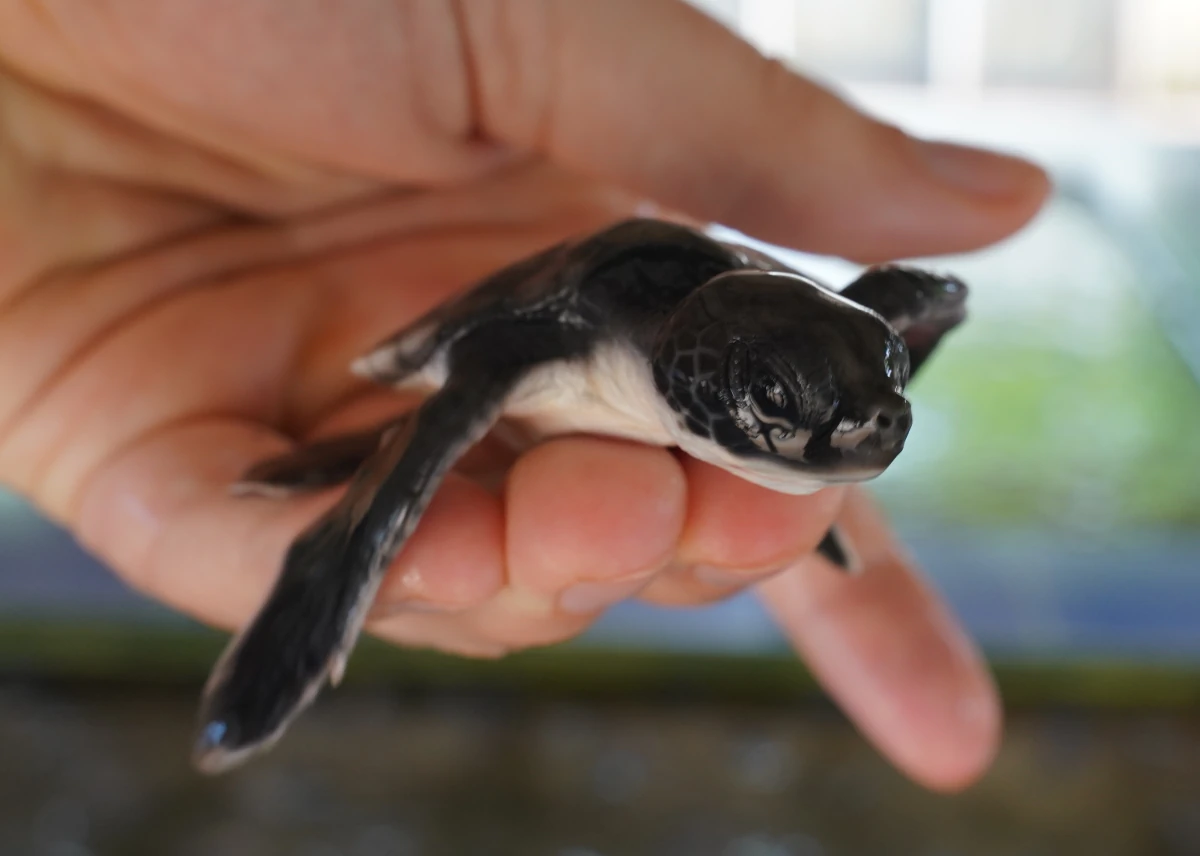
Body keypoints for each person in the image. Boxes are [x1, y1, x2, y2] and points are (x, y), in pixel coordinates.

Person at [0, 0, 1048, 790]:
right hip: (527, 314)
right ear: (700, 379)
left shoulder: (823, 351)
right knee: (446, 454)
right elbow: (458, 387)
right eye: (783, 400)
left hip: (713, 306)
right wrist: (350, 549)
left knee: (905, 316)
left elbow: (918, 300)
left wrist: (849, 398)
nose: (874, 422)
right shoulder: (552, 343)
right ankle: (316, 587)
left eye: (885, 393)